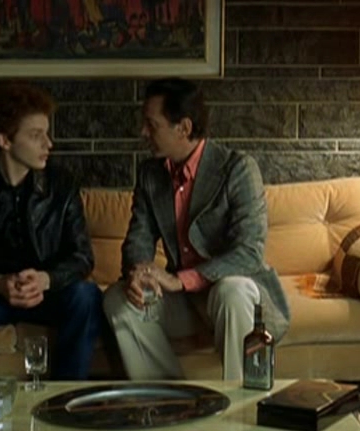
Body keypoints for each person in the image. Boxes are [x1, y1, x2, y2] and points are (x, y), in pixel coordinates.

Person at [103, 78, 290, 381]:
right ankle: (169, 398)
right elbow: (138, 238)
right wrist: (139, 273)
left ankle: (239, 401)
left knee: (232, 291)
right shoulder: (151, 174)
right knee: (118, 299)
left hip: (233, 296)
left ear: (184, 127)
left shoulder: (237, 169)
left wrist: (180, 280)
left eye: (152, 125)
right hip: (184, 303)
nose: (143, 132)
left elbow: (249, 252)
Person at [0, 82, 102, 379]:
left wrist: (46, 279)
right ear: (4, 140)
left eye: (47, 133)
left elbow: (82, 256)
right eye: (36, 136)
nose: (48, 144)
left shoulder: (62, 185)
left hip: (44, 295)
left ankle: (65, 394)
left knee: (86, 295)